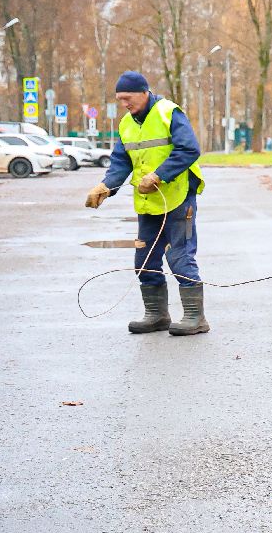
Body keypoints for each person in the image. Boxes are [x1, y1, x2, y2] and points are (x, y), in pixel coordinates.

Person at [85, 70, 209, 336]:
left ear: (144, 92)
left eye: (128, 98)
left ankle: (195, 317)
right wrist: (107, 186)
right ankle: (156, 315)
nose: (124, 104)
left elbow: (189, 149)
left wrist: (159, 175)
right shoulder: (126, 124)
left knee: (179, 255)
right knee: (144, 258)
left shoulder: (169, 112)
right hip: (148, 203)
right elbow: (121, 161)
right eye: (120, 100)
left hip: (177, 197)